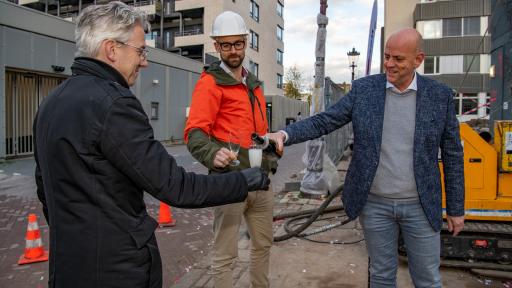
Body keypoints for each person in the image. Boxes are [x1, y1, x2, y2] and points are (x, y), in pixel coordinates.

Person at [33, 3, 270, 288]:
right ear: (112, 49)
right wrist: (241, 181)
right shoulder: (115, 104)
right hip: (116, 269)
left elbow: (45, 189)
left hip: (68, 267)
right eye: (141, 51)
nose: (144, 61)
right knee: (225, 255)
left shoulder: (50, 102)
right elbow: (174, 185)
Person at [267, 28, 465, 287]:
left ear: (418, 60)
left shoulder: (439, 96)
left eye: (398, 59)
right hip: (375, 205)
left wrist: (456, 208)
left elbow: (453, 155)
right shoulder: (365, 90)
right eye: (386, 56)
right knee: (381, 275)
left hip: (421, 206)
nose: (389, 64)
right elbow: (326, 121)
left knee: (427, 279)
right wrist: (285, 133)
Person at [184, 11, 277, 288]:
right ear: (216, 46)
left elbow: (258, 132)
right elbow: (194, 133)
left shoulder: (253, 84)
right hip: (230, 182)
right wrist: (213, 154)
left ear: (245, 43)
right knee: (225, 255)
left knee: (263, 245)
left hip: (260, 181)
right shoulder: (210, 83)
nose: (232, 50)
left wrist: (271, 146)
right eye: (226, 45)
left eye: (237, 44)